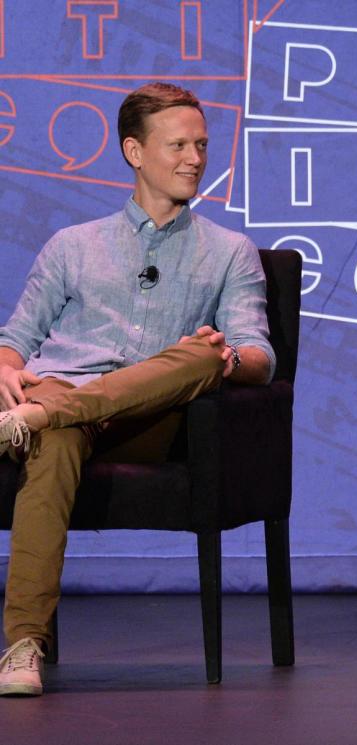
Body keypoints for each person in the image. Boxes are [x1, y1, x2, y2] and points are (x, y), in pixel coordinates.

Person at [0, 83, 275, 697]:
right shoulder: (73, 245)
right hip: (62, 405)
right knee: (57, 436)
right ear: (134, 150)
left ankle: (43, 415)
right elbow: (14, 340)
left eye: (202, 144)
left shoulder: (230, 253)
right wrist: (5, 370)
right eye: (178, 144)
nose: (196, 158)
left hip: (153, 420)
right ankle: (22, 647)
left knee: (202, 353)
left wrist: (227, 358)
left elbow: (260, 356)